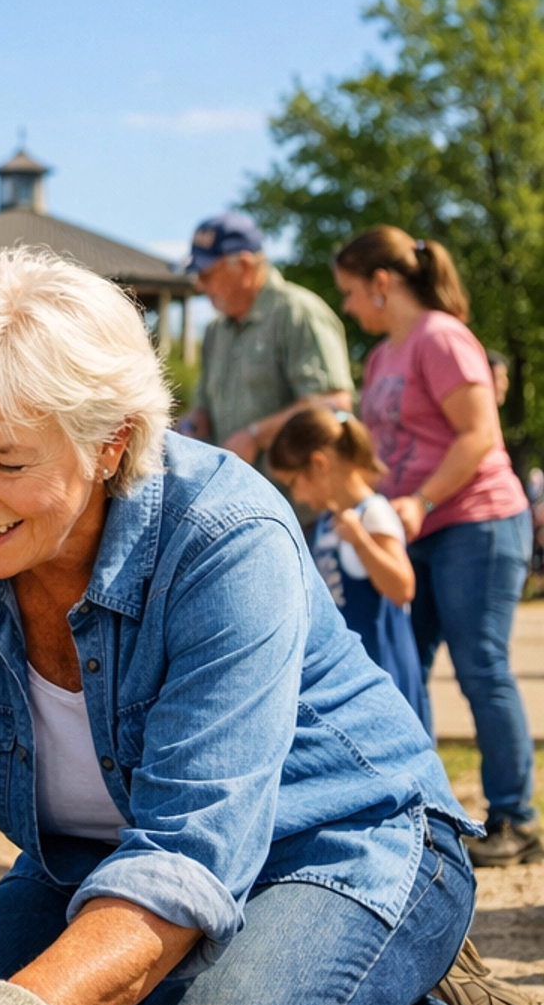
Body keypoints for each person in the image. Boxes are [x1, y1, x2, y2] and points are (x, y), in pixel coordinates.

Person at [0, 246, 544, 1005]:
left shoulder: (225, 537)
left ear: (110, 441)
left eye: (4, 461)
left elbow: (194, 843)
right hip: (103, 865)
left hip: (338, 844)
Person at [335, 228, 538, 867]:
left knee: (479, 666)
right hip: (411, 529)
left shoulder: (442, 338)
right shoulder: (380, 356)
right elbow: (379, 451)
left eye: (349, 292)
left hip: (475, 521)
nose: (346, 307)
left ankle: (516, 817)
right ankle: (416, 806)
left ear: (382, 283)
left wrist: (419, 503)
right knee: (399, 668)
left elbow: (479, 435)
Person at [267, 406, 424, 718]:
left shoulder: (373, 513)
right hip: (353, 671)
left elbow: (403, 588)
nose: (296, 496)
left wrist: (361, 541)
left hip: (385, 668)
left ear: (319, 464)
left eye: (294, 482)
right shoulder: (328, 522)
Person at [178, 210, 352, 471]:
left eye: (206, 274)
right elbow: (203, 410)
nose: (199, 286)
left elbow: (333, 404)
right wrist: (191, 426)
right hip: (234, 500)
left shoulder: (299, 313)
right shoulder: (216, 330)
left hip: (295, 506)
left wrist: (256, 435)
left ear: (245, 267)